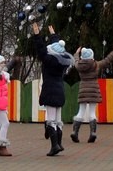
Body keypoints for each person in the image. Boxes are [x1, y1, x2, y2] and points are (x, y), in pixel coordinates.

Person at [32, 22, 74, 156]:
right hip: (60, 91)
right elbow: (57, 48)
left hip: (50, 91)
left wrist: (37, 35)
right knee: (58, 119)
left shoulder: (49, 60)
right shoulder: (62, 61)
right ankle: (59, 144)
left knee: (50, 120)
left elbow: (41, 50)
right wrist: (54, 36)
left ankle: (54, 145)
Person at [71, 44, 113, 142]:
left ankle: (75, 132)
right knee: (92, 112)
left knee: (81, 111)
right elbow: (107, 60)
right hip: (94, 90)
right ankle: (93, 133)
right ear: (92, 56)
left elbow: (75, 60)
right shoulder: (96, 64)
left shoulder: (78, 65)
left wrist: (76, 53)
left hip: (83, 90)